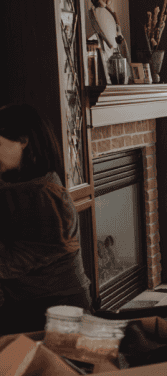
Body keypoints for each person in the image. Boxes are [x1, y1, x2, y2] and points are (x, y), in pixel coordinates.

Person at [0, 103, 92, 336]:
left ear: (24, 140)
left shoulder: (44, 194)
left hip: (54, 308)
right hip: (31, 302)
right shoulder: (19, 184)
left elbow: (17, 259)